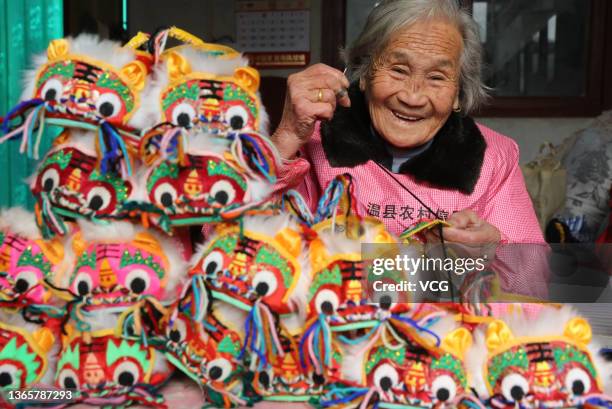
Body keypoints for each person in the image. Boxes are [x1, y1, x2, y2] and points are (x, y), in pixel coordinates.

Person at [271, 0, 545, 248]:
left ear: (457, 95)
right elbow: (241, 250)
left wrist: (497, 251)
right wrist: (285, 137)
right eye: (399, 70)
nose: (412, 97)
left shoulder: (493, 158)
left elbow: (534, 281)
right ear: (364, 75)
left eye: (437, 77)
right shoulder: (313, 139)